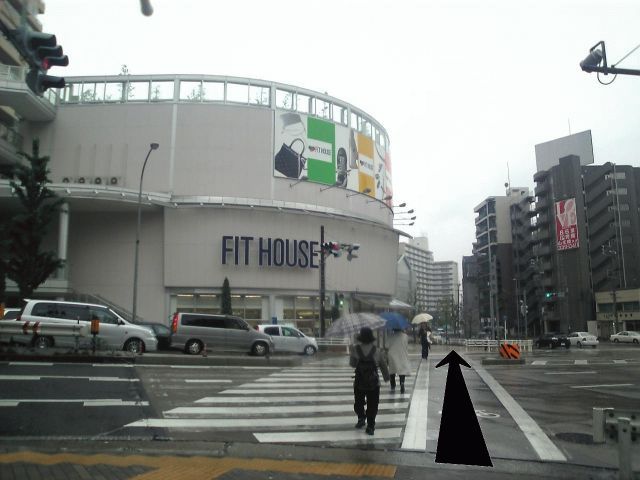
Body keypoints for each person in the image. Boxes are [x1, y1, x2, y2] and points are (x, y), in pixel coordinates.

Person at [349, 326, 389, 436]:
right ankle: (371, 426)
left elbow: (352, 364)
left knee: (359, 402)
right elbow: (383, 366)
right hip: (374, 383)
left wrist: (353, 354)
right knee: (373, 404)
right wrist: (387, 378)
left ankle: (361, 418)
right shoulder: (377, 350)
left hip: (359, 382)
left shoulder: (355, 349)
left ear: (361, 337)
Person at [387, 328, 411, 394]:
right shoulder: (405, 336)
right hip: (402, 354)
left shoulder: (390, 336)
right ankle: (402, 382)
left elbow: (387, 345)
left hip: (392, 354)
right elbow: (406, 345)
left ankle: (393, 385)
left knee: (392, 370)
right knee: (402, 370)